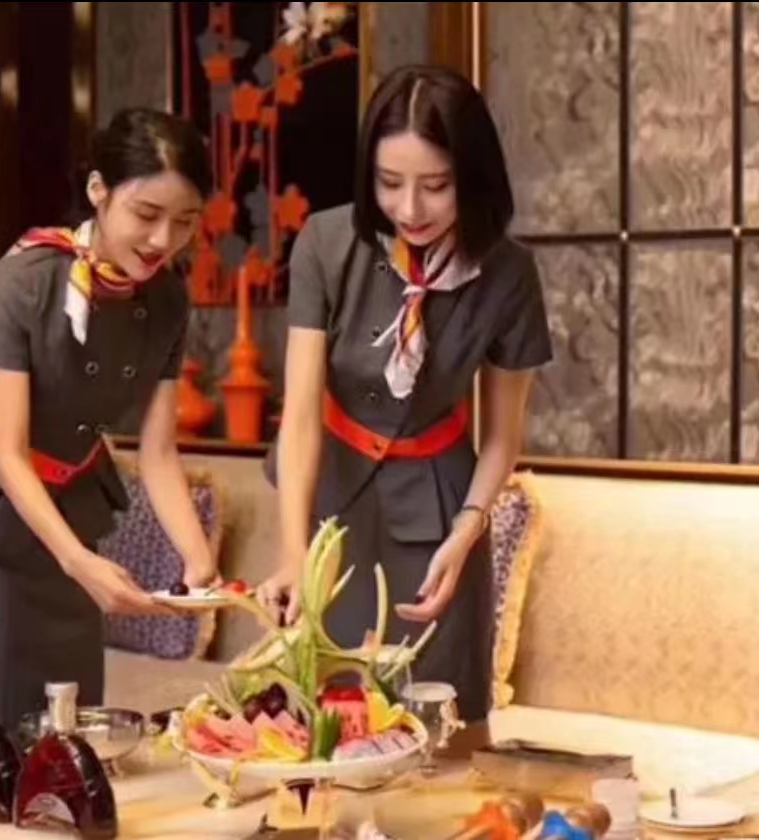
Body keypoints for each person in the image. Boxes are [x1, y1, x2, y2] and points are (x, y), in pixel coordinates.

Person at [257, 64, 554, 726]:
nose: (411, 209)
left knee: (438, 720)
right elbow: (300, 415)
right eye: (389, 183)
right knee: (327, 719)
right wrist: (291, 551)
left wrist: (467, 530)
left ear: (472, 176)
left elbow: (503, 436)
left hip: (441, 511)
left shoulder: (508, 273)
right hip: (329, 502)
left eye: (436, 186)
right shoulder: (326, 244)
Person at [0, 108, 219, 727]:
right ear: (97, 190)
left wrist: (199, 561)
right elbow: (9, 452)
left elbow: (159, 453)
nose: (163, 240)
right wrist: (77, 562)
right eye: (146, 214)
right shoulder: (25, 279)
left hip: (76, 511)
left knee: (71, 725)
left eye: (185, 221)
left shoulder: (167, 299)